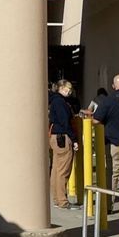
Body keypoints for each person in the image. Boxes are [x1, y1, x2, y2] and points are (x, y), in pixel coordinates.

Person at [48, 79, 77, 208]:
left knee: (56, 169)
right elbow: (65, 122)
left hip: (55, 136)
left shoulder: (54, 101)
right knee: (63, 170)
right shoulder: (61, 102)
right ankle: (62, 201)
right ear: (60, 88)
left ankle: (56, 198)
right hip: (63, 137)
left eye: (70, 89)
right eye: (67, 89)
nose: (69, 91)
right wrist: (74, 138)